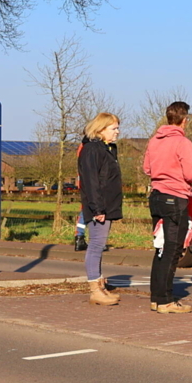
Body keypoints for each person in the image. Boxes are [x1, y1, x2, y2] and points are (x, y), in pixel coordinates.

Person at [143, 101, 192, 314]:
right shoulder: (183, 142)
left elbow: (146, 168)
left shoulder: (154, 140)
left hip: (156, 196)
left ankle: (156, 298)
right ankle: (166, 299)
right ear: (185, 120)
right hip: (175, 198)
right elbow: (189, 173)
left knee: (160, 248)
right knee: (173, 250)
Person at [78, 112, 123, 306]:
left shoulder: (107, 149)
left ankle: (100, 287)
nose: (117, 132)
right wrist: (97, 208)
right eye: (113, 129)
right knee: (96, 245)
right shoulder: (92, 150)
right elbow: (91, 181)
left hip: (107, 205)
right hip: (99, 206)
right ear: (101, 129)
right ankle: (95, 290)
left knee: (99, 245)